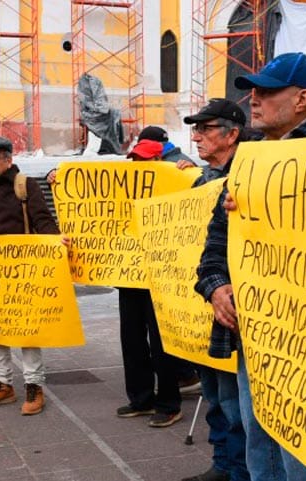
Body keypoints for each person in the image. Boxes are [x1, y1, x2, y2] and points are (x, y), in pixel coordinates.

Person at [199, 52, 306, 481]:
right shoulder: (252, 159)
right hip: (252, 331)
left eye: (267, 92)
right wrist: (217, 286)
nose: (253, 100)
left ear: (303, 100)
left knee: (303, 457)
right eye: (253, 92)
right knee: (259, 440)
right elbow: (215, 240)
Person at [0, 135, 61, 416]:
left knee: (28, 330)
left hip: (22, 271)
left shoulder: (24, 185)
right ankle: (3, 384)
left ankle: (34, 386)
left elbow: (43, 219)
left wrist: (55, 241)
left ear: (9, 159)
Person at [180, 98, 250, 481]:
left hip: (234, 305)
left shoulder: (250, 173)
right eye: (196, 130)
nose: (197, 137)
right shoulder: (201, 179)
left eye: (205, 129)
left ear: (232, 133)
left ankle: (238, 470)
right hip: (206, 298)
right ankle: (223, 464)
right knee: (215, 395)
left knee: (235, 400)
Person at [114, 136, 185, 428]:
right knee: (131, 340)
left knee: (161, 342)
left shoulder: (175, 181)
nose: (138, 164)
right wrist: (58, 177)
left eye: (145, 159)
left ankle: (169, 403)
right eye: (135, 159)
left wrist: (184, 172)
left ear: (158, 162)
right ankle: (141, 399)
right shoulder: (124, 186)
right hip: (129, 275)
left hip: (161, 276)